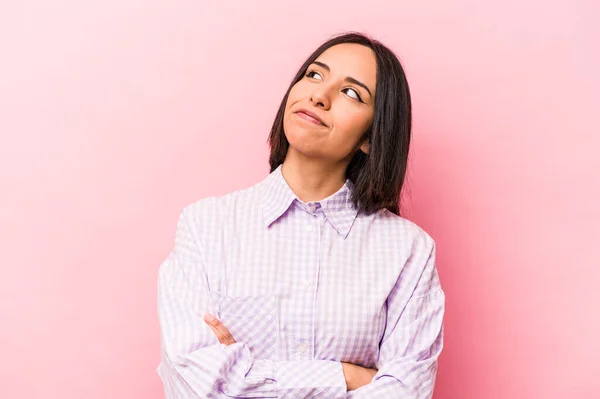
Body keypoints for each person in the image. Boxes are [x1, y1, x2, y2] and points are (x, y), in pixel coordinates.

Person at [156, 32, 445, 398]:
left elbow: (405, 392)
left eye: (351, 93)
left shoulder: (408, 251)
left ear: (372, 137)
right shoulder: (205, 226)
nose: (319, 96)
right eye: (314, 75)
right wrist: (345, 377)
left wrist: (242, 375)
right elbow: (194, 385)